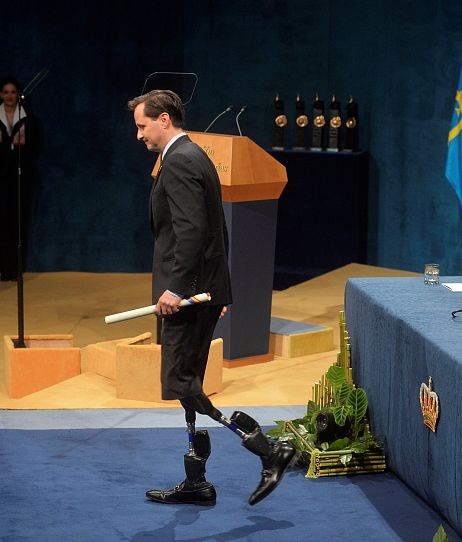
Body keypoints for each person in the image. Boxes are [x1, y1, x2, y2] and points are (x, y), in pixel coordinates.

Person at [127, 90, 294, 506]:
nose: (139, 135)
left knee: (180, 382)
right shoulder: (191, 154)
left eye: (142, 126)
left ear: (164, 120)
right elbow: (213, 230)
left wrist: (178, 289)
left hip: (188, 295)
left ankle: (268, 449)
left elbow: (193, 232)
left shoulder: (181, 159)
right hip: (199, 290)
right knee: (186, 382)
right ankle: (196, 480)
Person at [0, 76, 36, 281]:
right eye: (6, 92)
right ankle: (3, 269)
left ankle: (15, 270)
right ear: (1, 95)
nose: (10, 96)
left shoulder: (27, 118)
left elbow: (34, 146)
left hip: (20, 178)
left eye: (13, 92)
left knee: (17, 224)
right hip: (0, 179)